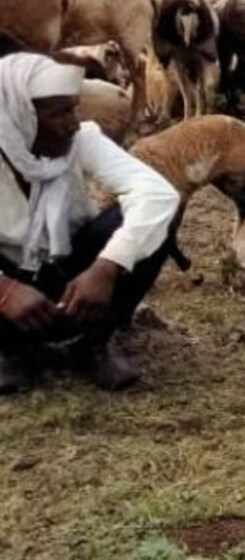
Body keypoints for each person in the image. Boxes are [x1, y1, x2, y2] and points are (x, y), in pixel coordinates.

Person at [0, 54, 180, 394]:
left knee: (156, 217)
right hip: (9, 282)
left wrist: (107, 266)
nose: (73, 122)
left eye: (73, 108)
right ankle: (13, 351)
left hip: (71, 275)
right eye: (60, 113)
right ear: (20, 117)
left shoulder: (80, 139)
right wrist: (4, 291)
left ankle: (93, 344)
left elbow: (156, 194)